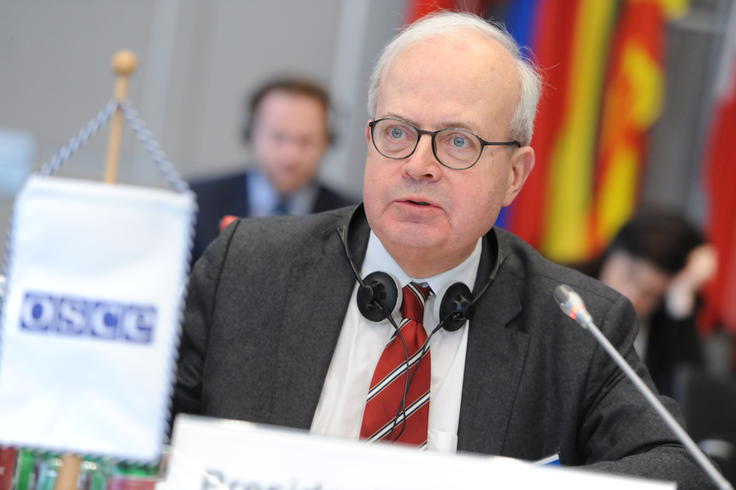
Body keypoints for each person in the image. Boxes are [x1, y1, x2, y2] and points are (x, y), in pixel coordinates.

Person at [174, 12, 712, 488]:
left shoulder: (573, 325)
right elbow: (147, 426)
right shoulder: (250, 266)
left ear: (514, 175)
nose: (418, 165)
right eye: (397, 132)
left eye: (458, 141)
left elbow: (680, 468)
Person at [189, 77, 355, 261]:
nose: (291, 156)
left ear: (328, 142)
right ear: (250, 134)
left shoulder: (352, 220)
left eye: (306, 141)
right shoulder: (197, 202)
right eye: (278, 137)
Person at [572, 210, 717, 397]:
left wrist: (681, 296)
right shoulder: (560, 288)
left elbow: (690, 400)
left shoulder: (661, 331)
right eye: (629, 276)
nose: (631, 297)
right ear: (612, 252)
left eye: (651, 295)